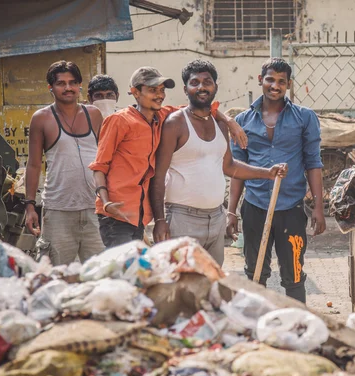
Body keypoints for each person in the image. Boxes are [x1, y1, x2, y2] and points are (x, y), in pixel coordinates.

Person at [90, 66, 249, 248]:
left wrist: (229, 122)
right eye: (152, 90)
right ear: (135, 92)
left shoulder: (162, 115)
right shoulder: (119, 121)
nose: (159, 95)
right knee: (122, 269)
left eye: (161, 90)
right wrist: (106, 201)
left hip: (140, 214)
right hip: (115, 214)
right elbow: (99, 166)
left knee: (135, 271)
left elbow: (201, 108)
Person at [150, 60, 287, 266]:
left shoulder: (221, 125)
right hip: (181, 219)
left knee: (212, 285)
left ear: (215, 86)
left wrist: (267, 172)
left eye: (207, 82)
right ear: (185, 89)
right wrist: (160, 220)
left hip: (216, 219)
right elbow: (158, 177)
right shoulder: (175, 123)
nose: (201, 87)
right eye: (194, 82)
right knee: (181, 287)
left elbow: (229, 166)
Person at [226, 58, 326, 303]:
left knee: (293, 275)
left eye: (282, 81)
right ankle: (258, 325)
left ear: (288, 85)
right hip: (255, 207)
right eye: (270, 79)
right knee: (255, 273)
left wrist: (319, 208)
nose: (275, 85)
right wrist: (231, 211)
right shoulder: (242, 122)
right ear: (261, 80)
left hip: (291, 208)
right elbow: (237, 169)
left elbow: (313, 162)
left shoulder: (304, 118)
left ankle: (299, 326)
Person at [25, 60, 105, 265]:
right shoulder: (41, 118)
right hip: (58, 209)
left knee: (100, 272)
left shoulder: (94, 114)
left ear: (80, 85)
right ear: (50, 88)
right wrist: (30, 206)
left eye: (73, 82)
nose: (68, 88)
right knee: (55, 273)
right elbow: (33, 165)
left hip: (94, 208)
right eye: (61, 83)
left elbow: (106, 159)